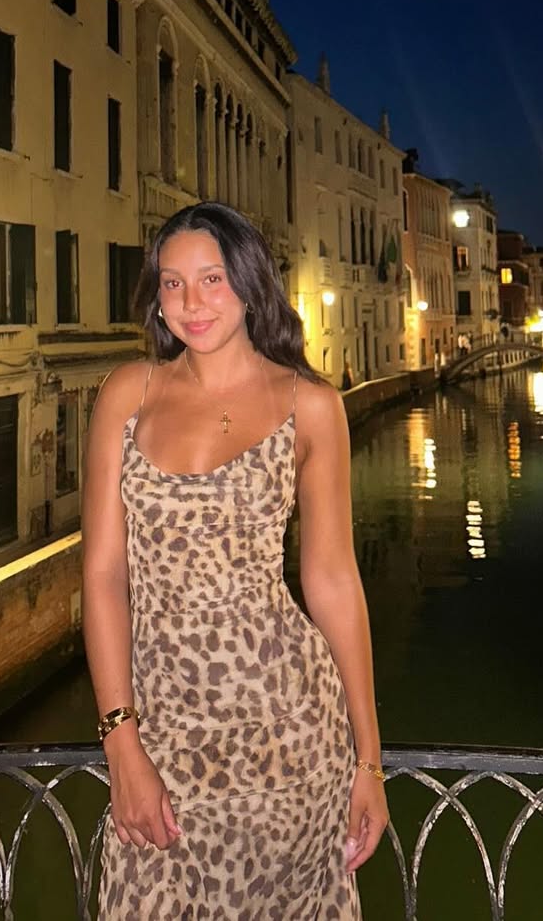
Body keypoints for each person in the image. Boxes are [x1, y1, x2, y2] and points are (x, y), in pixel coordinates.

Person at [83, 202, 387, 919]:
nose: (191, 302)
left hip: (289, 734)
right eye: (173, 283)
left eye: (212, 279)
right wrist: (121, 741)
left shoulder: (311, 405)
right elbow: (102, 576)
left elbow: (332, 580)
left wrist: (368, 761)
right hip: (161, 730)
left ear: (249, 282)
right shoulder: (129, 393)